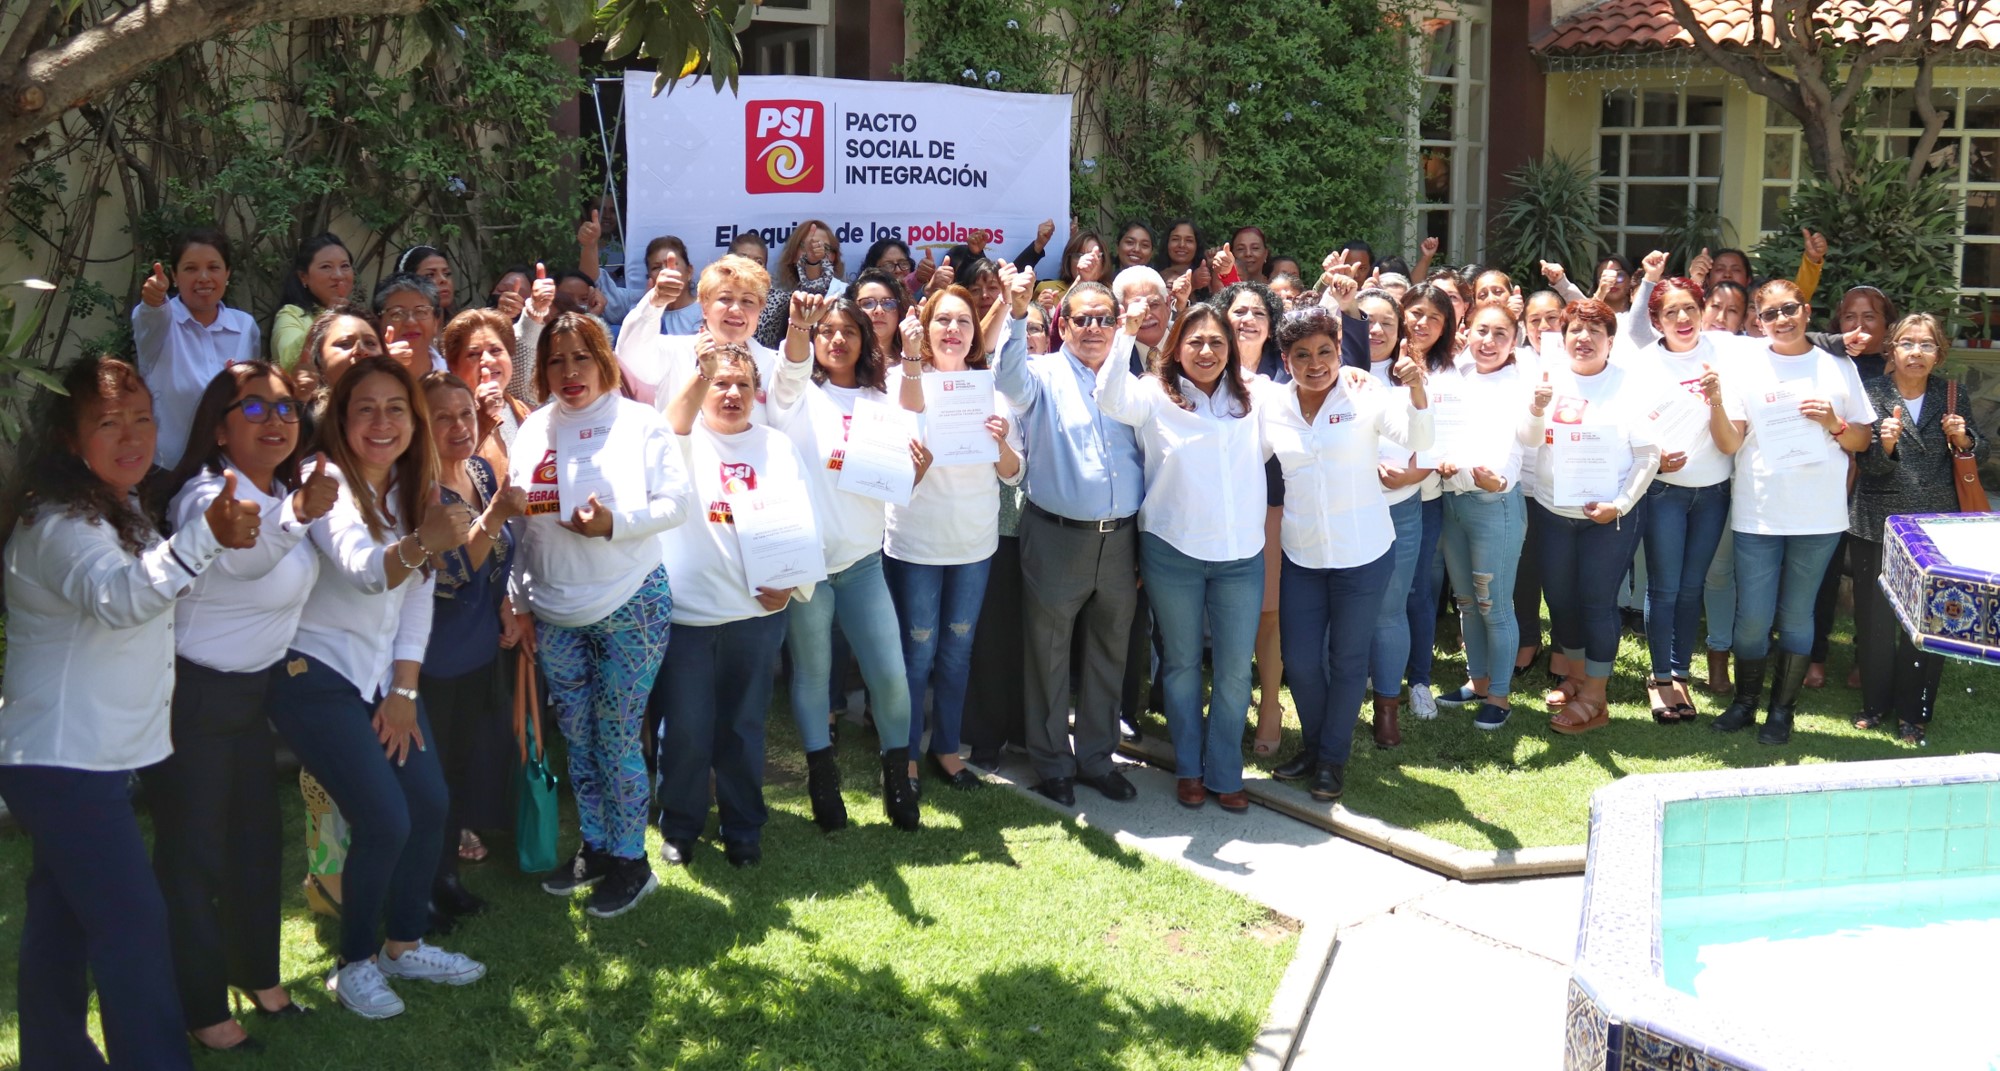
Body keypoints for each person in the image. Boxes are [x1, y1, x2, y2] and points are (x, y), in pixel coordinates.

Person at [0, 356, 257, 1067]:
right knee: (134, 926)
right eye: (108, 422)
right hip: (64, 762)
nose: (132, 434)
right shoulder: (59, 524)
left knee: (61, 921)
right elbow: (120, 597)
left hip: (78, 759)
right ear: (66, 438)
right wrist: (203, 534)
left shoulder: (115, 505)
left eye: (141, 417)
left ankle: (54, 1055)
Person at [263, 355, 486, 1019]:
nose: (382, 421)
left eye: (396, 408)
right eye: (366, 408)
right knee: (385, 816)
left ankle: (402, 943)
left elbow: (414, 600)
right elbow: (365, 570)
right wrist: (425, 541)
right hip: (311, 675)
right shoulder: (321, 477)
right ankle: (353, 962)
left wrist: (404, 691)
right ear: (340, 419)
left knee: (430, 801)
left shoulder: (408, 488)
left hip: (378, 680)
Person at [152, 361, 334, 1050]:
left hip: (253, 695)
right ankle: (201, 1006)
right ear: (220, 429)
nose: (276, 420)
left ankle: (259, 975)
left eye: (286, 407)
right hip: (194, 697)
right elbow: (241, 558)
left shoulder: (286, 488)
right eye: (254, 409)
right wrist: (297, 513)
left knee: (258, 845)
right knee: (194, 856)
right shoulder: (203, 496)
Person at [509, 313, 691, 913]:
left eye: (580, 358)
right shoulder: (533, 429)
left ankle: (632, 862)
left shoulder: (640, 423)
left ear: (603, 359)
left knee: (616, 736)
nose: (569, 373)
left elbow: (675, 503)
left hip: (629, 599)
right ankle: (596, 846)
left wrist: (615, 525)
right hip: (556, 608)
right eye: (556, 361)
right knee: (579, 736)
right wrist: (519, 599)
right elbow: (520, 526)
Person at [1096, 297, 1265, 811]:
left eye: (1217, 341)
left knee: (1236, 670)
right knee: (1182, 665)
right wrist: (1124, 333)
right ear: (1176, 347)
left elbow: (1313, 389)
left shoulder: (1254, 394)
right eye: (1195, 341)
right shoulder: (1153, 393)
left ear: (1231, 348)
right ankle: (1190, 769)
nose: (1207, 350)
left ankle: (1224, 772)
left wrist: (1357, 380)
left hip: (1240, 555)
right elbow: (1108, 396)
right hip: (1173, 552)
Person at [656, 342, 817, 867]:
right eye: (719, 383)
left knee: (744, 727)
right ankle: (680, 825)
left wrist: (793, 586)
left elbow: (800, 522)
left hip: (755, 617)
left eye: (742, 385)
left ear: (758, 393)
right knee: (684, 727)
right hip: (689, 618)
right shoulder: (680, 439)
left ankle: (743, 826)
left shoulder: (776, 447)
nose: (731, 394)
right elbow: (675, 421)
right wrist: (699, 373)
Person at [771, 292, 924, 830]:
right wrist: (796, 324)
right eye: (826, 331)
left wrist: (915, 472)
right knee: (813, 675)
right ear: (814, 340)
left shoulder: (881, 405)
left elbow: (898, 485)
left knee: (890, 675)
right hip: (806, 566)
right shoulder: (793, 398)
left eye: (849, 332)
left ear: (865, 341)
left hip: (861, 563)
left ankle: (897, 780)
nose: (837, 340)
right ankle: (822, 779)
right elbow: (789, 369)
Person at [1265, 306, 1432, 800]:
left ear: (1340, 351)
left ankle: (1331, 759)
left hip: (1363, 552)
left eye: (1324, 352)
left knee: (1347, 658)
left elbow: (1419, 439)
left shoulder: (1364, 392)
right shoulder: (1272, 405)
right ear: (1285, 358)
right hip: (1302, 554)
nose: (1315, 363)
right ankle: (1315, 746)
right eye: (1301, 355)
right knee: (1299, 660)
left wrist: (1417, 389)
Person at [994, 279, 1144, 806]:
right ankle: (1052, 762)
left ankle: (1098, 759)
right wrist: (1015, 316)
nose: (1094, 329)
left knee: (1109, 652)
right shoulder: (1039, 373)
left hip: (1121, 540)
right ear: (1062, 326)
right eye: (1082, 319)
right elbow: (1008, 381)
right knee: (1048, 654)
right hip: (1057, 536)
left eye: (1105, 318)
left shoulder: (1130, 375)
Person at [1704, 280, 1875, 744]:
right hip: (1759, 508)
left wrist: (1833, 423)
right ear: (1758, 321)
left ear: (1806, 309)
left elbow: (1861, 439)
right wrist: (1716, 402)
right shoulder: (1744, 365)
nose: (1782, 319)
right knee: (1753, 618)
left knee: (1799, 616)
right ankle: (1745, 703)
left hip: (1818, 513)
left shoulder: (1836, 366)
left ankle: (1782, 711)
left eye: (1790, 309)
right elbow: (1730, 442)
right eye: (1771, 313)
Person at [888, 281, 1024, 791]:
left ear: (975, 335)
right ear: (925, 329)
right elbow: (897, 437)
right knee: (916, 651)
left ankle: (946, 748)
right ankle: (902, 754)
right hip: (916, 542)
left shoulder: (990, 392)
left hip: (973, 543)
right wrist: (911, 361)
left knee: (956, 651)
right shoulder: (900, 379)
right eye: (943, 320)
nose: (953, 330)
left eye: (963, 322)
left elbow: (1013, 474)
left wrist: (999, 445)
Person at [419, 372, 527, 918]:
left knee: (459, 771)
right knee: (430, 783)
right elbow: (453, 570)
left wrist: (505, 603)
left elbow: (495, 562)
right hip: (431, 660)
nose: (459, 426)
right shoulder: (415, 491)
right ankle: (425, 887)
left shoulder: (481, 472)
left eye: (465, 414)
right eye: (442, 417)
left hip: (481, 648)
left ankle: (447, 880)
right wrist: (500, 515)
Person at [1850, 314, 1985, 744]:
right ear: (1891, 350)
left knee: (1928, 623)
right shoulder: (1869, 393)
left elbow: (1970, 453)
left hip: (1934, 529)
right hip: (1879, 521)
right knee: (1875, 621)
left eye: (1926, 345)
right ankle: (1875, 705)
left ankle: (1915, 711)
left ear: (1938, 353)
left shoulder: (1952, 393)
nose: (1916, 352)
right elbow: (1864, 465)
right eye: (1907, 343)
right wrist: (1884, 445)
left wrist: (1963, 438)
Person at [1532, 299, 1663, 733]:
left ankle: (1595, 697)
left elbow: (1648, 455)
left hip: (1609, 516)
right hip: (1552, 510)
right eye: (1575, 330)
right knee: (1560, 598)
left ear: (1611, 341)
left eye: (1595, 332)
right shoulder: (1546, 380)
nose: (1583, 339)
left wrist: (1620, 505)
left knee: (1595, 601)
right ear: (1563, 337)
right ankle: (1574, 674)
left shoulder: (1629, 385)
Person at [1427, 304, 1541, 730]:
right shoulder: (1455, 376)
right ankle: (1477, 681)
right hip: (1453, 503)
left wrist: (1502, 479)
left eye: (1499, 334)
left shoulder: (1520, 382)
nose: (1488, 342)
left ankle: (1500, 695)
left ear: (1514, 342)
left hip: (1495, 504)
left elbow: (1525, 441)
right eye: (1481, 331)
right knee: (1467, 604)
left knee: (1494, 605)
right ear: (1465, 332)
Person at [1630, 270, 1733, 725]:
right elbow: (1630, 424)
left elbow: (1783, 341)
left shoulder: (1724, 353)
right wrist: (1654, 457)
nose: (1683, 317)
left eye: (1690, 307)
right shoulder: (1642, 364)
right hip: (1664, 492)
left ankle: (1681, 673)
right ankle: (1659, 678)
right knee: (1665, 587)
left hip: (1713, 491)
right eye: (1671, 311)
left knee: (1693, 588)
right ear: (1657, 320)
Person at [1214, 281, 1289, 754]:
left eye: (1257, 312)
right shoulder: (1201, 365)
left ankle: (1269, 707)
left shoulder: (1287, 371)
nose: (1247, 319)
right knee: (1220, 615)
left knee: (1266, 613)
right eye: (1238, 311)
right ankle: (1227, 705)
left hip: (1272, 507)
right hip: (1214, 508)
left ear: (1271, 324)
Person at [1356, 289, 1432, 746]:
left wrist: (1405, 478)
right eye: (1366, 321)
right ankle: (1340, 703)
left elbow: (1432, 443)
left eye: (1386, 321)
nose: (1376, 330)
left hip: (1400, 508)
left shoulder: (1414, 375)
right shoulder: (1334, 372)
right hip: (1346, 509)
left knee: (1389, 610)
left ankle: (1387, 708)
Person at [133, 228, 263, 470]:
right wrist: (153, 299)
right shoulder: (162, 321)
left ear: (227, 273)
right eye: (191, 268)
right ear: (174, 275)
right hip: (166, 468)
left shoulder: (245, 326)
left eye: (213, 267)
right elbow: (150, 315)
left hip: (230, 467)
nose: (203, 277)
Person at [1397, 282, 1459, 721]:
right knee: (1376, 590)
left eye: (1434, 318)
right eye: (1416, 313)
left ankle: (1419, 679)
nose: (1422, 323)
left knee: (1418, 589)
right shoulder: (1376, 359)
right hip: (1375, 495)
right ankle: (1372, 668)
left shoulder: (1452, 371)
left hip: (1426, 497)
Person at [621, 254, 778, 408]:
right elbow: (631, 354)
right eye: (725, 298)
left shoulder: (775, 365)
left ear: (760, 310)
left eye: (747, 301)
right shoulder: (675, 352)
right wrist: (654, 302)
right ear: (704, 307)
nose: (736, 309)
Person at [442, 308, 531, 466]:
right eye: (474, 354)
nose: (487, 360)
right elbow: (450, 470)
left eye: (495, 350)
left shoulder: (523, 411)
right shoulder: (445, 419)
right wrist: (482, 416)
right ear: (453, 366)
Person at [755, 219, 847, 347]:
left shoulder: (846, 294)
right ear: (793, 255)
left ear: (834, 256)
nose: (814, 252)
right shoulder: (776, 299)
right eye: (806, 246)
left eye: (824, 247)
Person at [272, 234, 355, 371]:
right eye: (326, 267)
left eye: (345, 266)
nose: (339, 276)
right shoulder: (291, 314)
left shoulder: (359, 318)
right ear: (304, 277)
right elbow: (288, 362)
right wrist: (327, 319)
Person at [374, 273, 446, 374]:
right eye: (397, 313)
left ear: (436, 322)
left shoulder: (454, 374)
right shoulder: (368, 376)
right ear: (379, 323)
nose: (410, 322)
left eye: (420, 312)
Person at [395, 245, 457, 319]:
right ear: (408, 282)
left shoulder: (465, 329)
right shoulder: (394, 329)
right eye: (430, 275)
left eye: (447, 274)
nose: (443, 280)